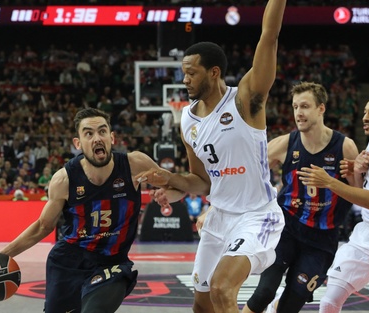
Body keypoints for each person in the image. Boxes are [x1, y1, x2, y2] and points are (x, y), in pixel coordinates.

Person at [136, 1, 287, 312]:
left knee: (222, 288)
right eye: (184, 73)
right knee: (202, 306)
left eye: (191, 73)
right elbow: (202, 182)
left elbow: (268, 36)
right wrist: (169, 182)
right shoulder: (188, 120)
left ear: (214, 72)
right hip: (218, 217)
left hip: (256, 215)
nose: (185, 80)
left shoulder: (246, 99)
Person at [0, 108, 166, 313]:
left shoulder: (135, 164)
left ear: (112, 138)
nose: (97, 138)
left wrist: (171, 195)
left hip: (112, 262)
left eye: (102, 132)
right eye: (89, 133)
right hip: (68, 261)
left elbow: (173, 183)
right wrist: (2, 256)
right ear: (78, 143)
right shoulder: (64, 179)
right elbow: (43, 226)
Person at [241, 82, 359, 313]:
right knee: (263, 292)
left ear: (321, 109)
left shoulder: (345, 147)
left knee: (289, 306)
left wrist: (336, 180)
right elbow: (246, 175)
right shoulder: (285, 143)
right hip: (285, 228)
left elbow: (360, 194)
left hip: (322, 238)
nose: (298, 113)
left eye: (304, 106)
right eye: (295, 107)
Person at [297, 91, 369, 313]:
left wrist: (330, 182)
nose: (365, 117)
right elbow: (361, 195)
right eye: (364, 112)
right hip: (367, 231)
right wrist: (356, 173)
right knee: (329, 302)